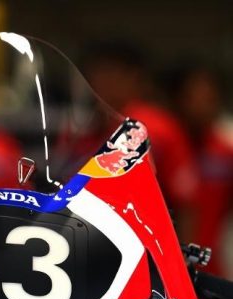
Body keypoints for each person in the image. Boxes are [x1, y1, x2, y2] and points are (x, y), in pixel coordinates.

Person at [80, 41, 200, 241]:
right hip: (90, 239)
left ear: (133, 77)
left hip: (145, 241)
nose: (101, 81)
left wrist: (181, 254)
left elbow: (185, 202)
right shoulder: (84, 127)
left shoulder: (155, 128)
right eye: (96, 72)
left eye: (110, 73)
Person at [167, 65, 233, 279]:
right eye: (192, 98)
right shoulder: (161, 148)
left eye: (208, 99)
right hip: (167, 270)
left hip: (212, 272)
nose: (200, 108)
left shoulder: (226, 152)